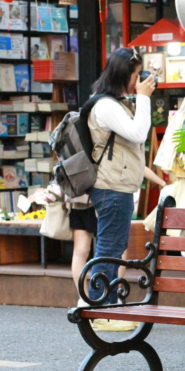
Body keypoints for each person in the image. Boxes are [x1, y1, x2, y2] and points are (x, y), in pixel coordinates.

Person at [86, 47, 155, 305]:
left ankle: (108, 302)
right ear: (123, 75)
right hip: (112, 187)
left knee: (113, 248)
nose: (138, 81)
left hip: (118, 187)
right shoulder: (105, 106)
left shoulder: (113, 102)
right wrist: (144, 97)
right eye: (136, 75)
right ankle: (100, 304)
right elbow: (138, 134)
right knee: (109, 249)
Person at [70, 167, 166, 331]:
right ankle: (109, 300)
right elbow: (135, 162)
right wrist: (162, 182)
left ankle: (85, 300)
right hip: (106, 191)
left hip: (79, 197)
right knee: (114, 246)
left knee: (83, 251)